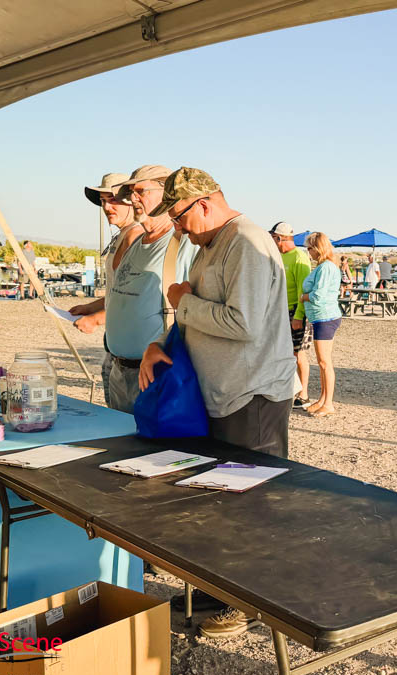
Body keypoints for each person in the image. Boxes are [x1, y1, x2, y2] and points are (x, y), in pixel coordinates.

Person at [139, 168, 295, 639]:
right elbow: (200, 317)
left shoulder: (245, 242)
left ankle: (247, 606)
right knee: (216, 502)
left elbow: (241, 324)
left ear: (203, 204)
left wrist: (182, 302)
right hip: (221, 395)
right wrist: (160, 341)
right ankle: (211, 593)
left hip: (253, 398)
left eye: (181, 218)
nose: (179, 229)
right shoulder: (211, 244)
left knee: (248, 505)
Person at [104, 165, 198, 413]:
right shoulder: (137, 243)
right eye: (130, 194)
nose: (133, 199)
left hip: (154, 374)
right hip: (119, 371)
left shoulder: (185, 244)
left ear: (167, 194)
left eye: (140, 191)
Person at [69, 172, 142, 406]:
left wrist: (96, 319)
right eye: (103, 201)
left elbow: (135, 296)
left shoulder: (138, 237)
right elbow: (117, 291)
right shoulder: (123, 235)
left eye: (114, 199)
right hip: (114, 347)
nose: (107, 206)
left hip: (133, 353)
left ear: (133, 200)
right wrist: (89, 307)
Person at [269, 221, 312, 409]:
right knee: (283, 352)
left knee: (298, 352)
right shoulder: (278, 256)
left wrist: (298, 316)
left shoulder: (299, 257)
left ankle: (304, 394)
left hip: (296, 310)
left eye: (273, 238)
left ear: (280, 238)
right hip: (280, 309)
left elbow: (304, 290)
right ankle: (289, 388)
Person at [301, 232, 342, 417]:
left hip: (324, 317)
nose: (308, 252)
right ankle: (323, 399)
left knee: (325, 362)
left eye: (309, 248)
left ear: (317, 248)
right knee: (322, 361)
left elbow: (319, 295)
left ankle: (329, 403)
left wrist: (303, 297)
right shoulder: (325, 267)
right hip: (321, 317)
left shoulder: (325, 268)